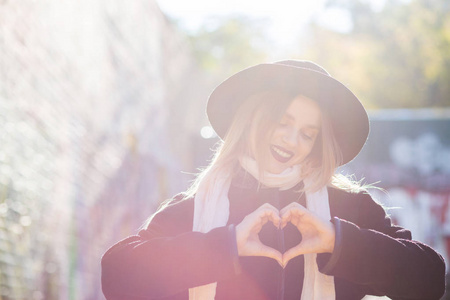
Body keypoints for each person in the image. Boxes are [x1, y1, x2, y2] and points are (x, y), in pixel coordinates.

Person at [101, 60, 445, 300]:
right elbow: (116, 277)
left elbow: (429, 279)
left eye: (308, 133)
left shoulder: (349, 208)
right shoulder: (195, 208)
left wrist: (338, 243)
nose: (292, 140)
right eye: (283, 121)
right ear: (254, 119)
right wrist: (227, 246)